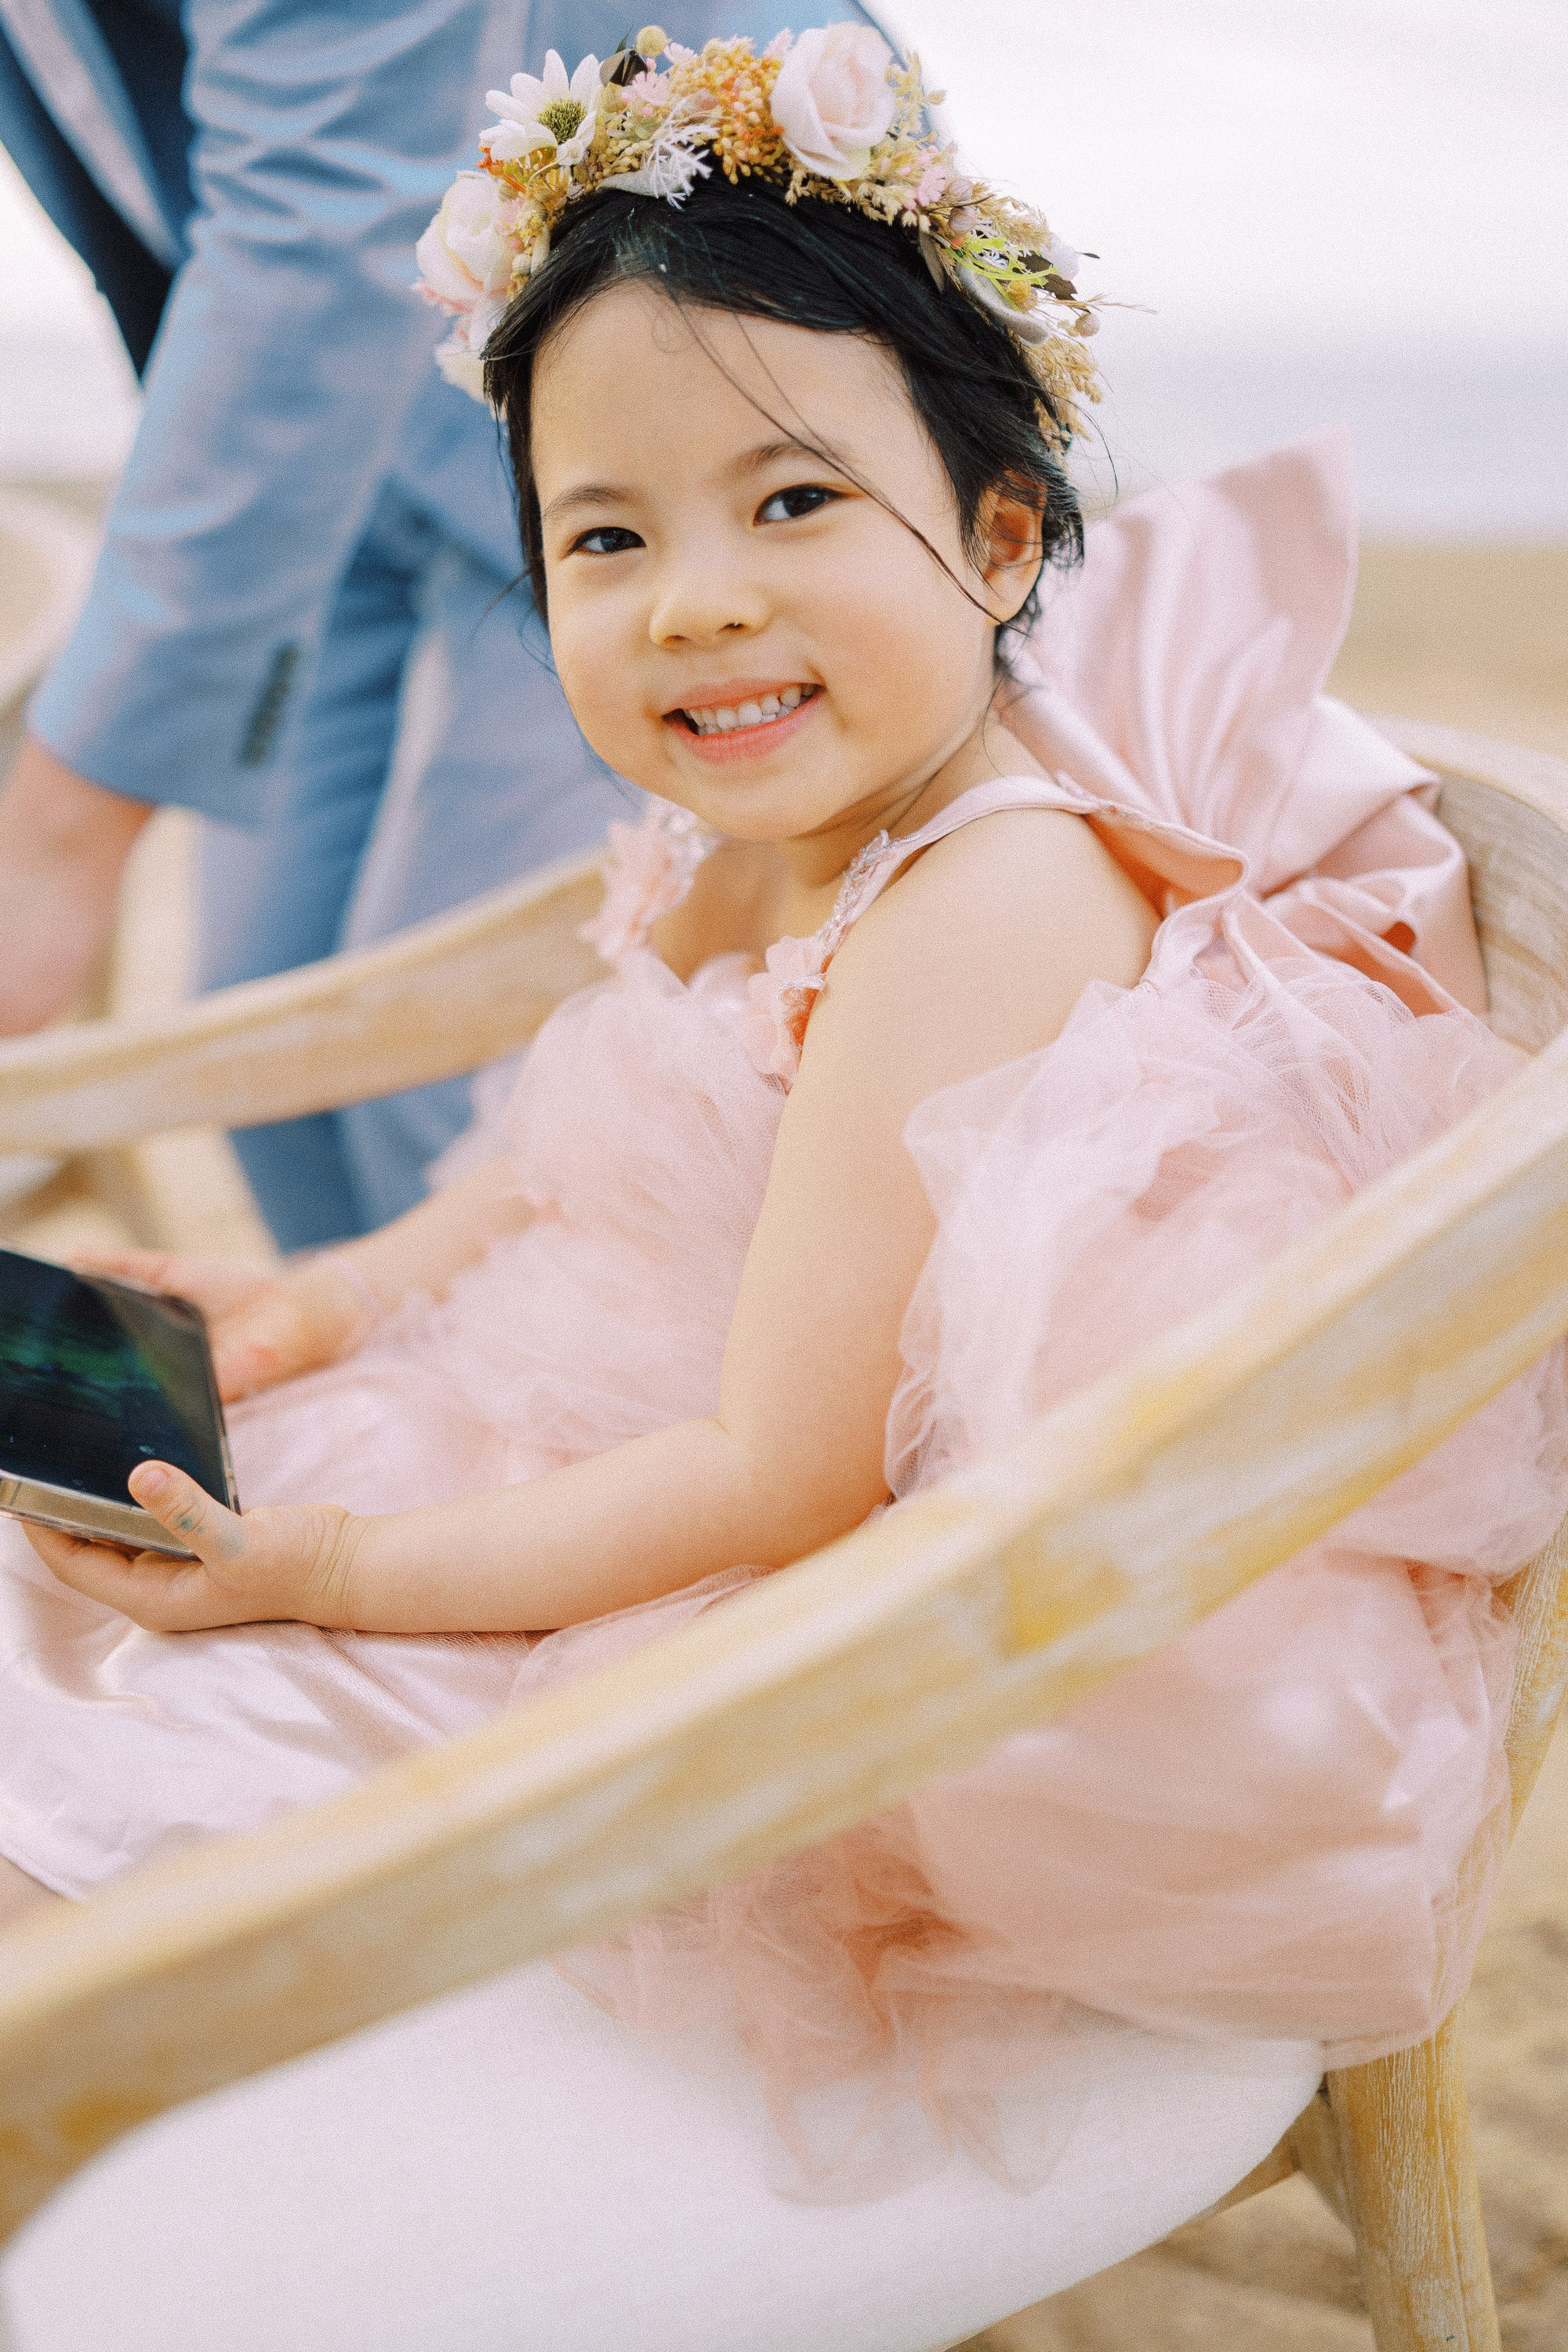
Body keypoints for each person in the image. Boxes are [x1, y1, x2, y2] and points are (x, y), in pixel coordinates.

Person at [1, 25, 1564, 2201]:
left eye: (795, 501)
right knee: (61, 1610)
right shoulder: (756, 826)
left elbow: (783, 1474)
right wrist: (321, 1304)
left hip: (793, 1612)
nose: (698, 597)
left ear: (1003, 537)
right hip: (595, 1448)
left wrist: (333, 1569)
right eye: (606, 534)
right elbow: (550, 1163)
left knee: (118, 1758)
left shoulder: (980, 895)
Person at [0, 0, 873, 1247]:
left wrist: (55, 839)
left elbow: (319, 207)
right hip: (320, 461)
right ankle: (345, 1381)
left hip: (664, 434)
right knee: (263, 1039)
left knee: (458, 1080)